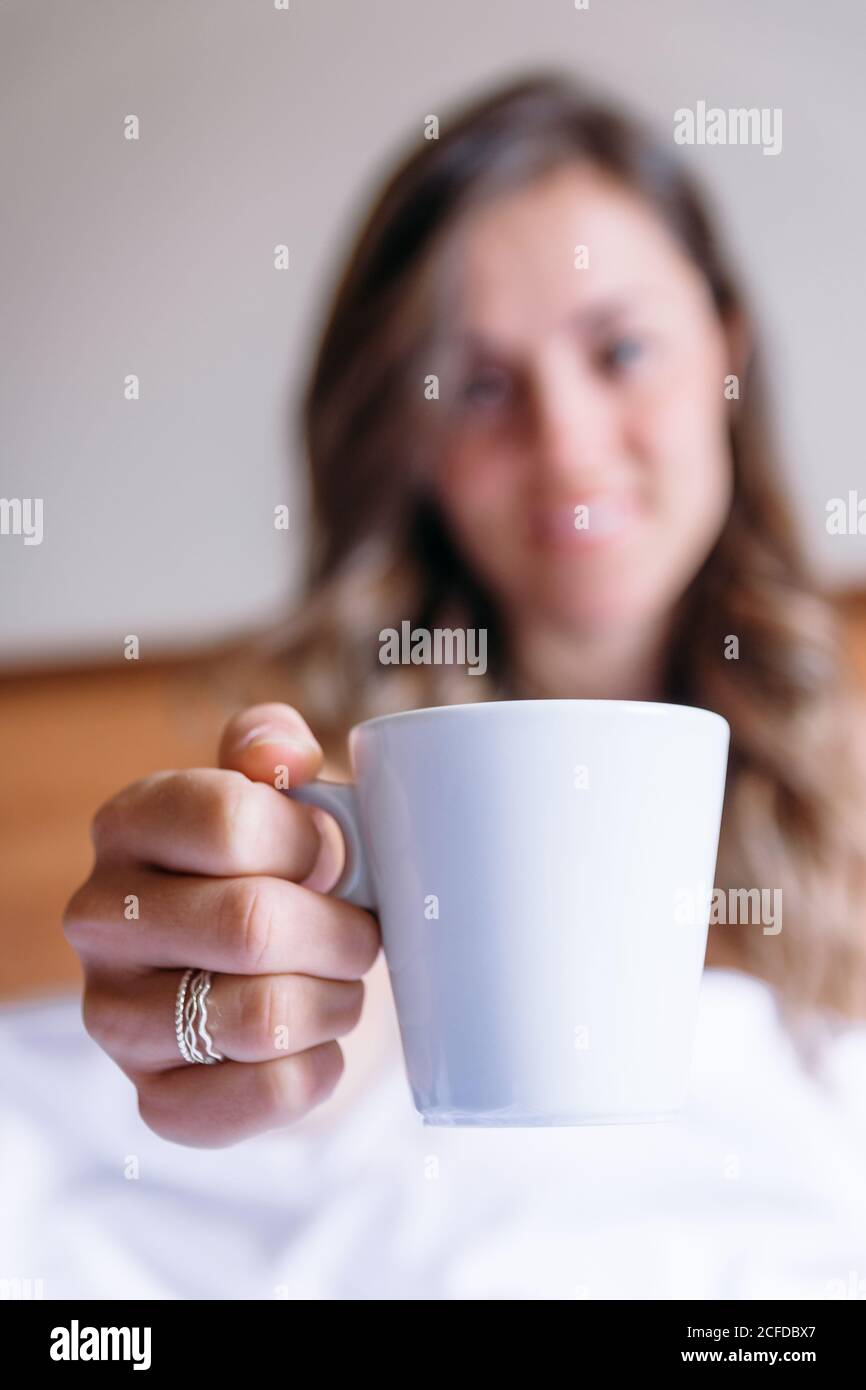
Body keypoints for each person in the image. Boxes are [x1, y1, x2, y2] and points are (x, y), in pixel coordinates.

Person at [6, 73, 866, 1300]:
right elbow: (340, 1082)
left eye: (619, 349)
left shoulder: (849, 786)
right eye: (476, 385)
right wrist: (237, 1010)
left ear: (725, 350)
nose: (566, 442)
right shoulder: (362, 794)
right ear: (411, 450)